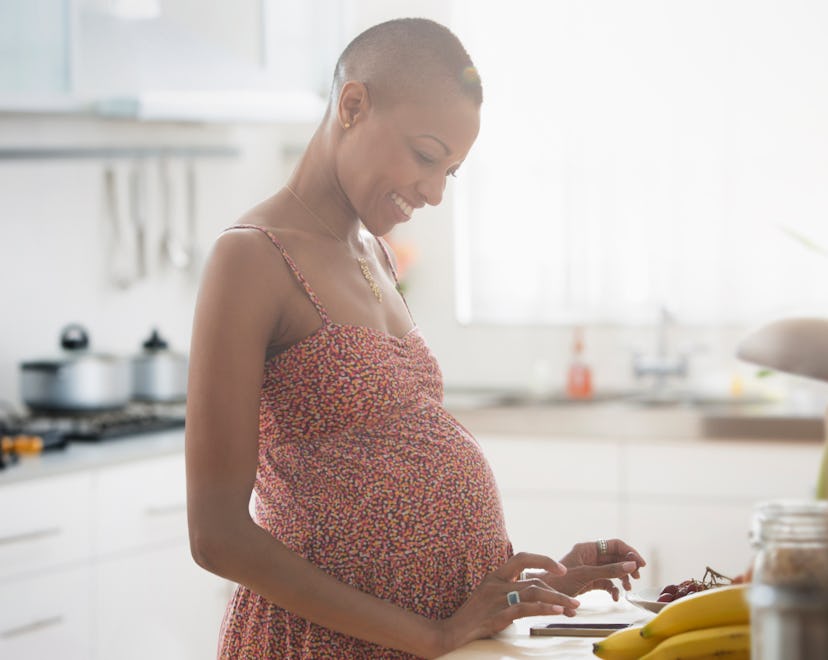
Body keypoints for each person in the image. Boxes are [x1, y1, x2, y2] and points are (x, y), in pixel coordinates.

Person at [185, 17, 646, 659]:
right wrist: (434, 634)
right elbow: (217, 536)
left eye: (450, 172)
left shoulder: (377, 254)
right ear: (353, 106)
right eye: (427, 156)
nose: (433, 192)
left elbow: (391, 495)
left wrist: (533, 584)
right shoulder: (252, 259)